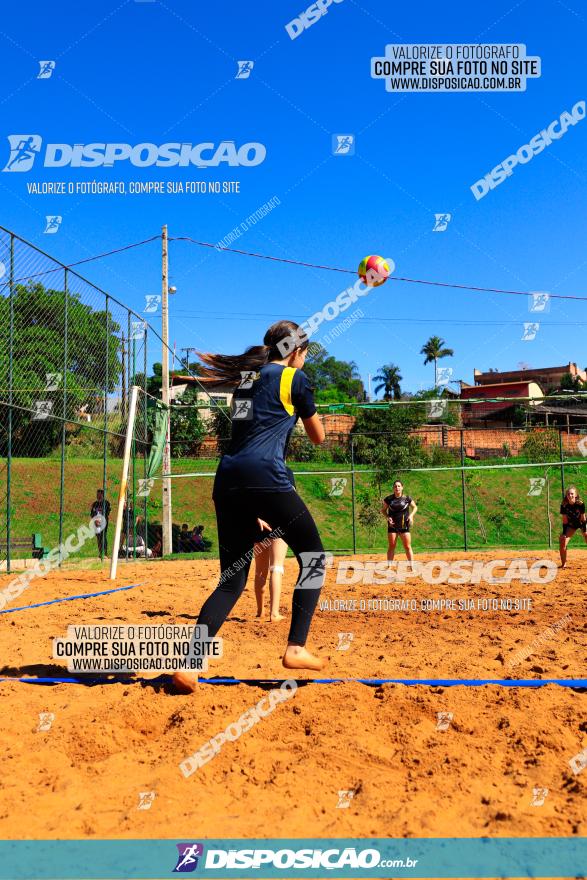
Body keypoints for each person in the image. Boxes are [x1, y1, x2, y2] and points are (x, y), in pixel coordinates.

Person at [173, 320, 326, 693]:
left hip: (228, 479)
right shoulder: (295, 381)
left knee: (232, 581)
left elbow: (241, 437)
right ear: (295, 351)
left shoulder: (245, 382)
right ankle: (295, 647)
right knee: (315, 557)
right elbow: (318, 437)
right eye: (304, 352)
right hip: (267, 478)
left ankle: (190, 666)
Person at [381, 479, 417, 565]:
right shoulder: (389, 499)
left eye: (399, 486)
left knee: (408, 547)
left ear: (402, 487)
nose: (397, 488)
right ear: (393, 488)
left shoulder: (407, 498)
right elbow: (383, 510)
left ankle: (411, 566)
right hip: (392, 526)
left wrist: (411, 516)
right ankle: (389, 566)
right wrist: (388, 517)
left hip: (404, 526)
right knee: (392, 546)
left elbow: (415, 507)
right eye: (395, 486)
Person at [559, 485, 587, 568]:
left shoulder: (580, 504)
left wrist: (585, 531)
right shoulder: (564, 505)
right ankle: (563, 564)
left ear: (575, 495)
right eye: (568, 494)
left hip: (582, 523)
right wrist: (564, 534)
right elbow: (565, 520)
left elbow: (583, 518)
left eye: (572, 493)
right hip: (571, 525)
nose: (570, 495)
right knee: (562, 541)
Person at [90, 489, 111, 557]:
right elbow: (92, 514)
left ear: (102, 495)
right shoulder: (94, 504)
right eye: (97, 494)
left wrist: (101, 520)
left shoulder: (106, 503)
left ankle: (105, 553)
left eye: (99, 494)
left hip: (104, 522)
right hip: (96, 523)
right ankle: (100, 552)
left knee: (103, 536)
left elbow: (107, 513)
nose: (97, 496)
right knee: (98, 537)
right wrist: (95, 520)